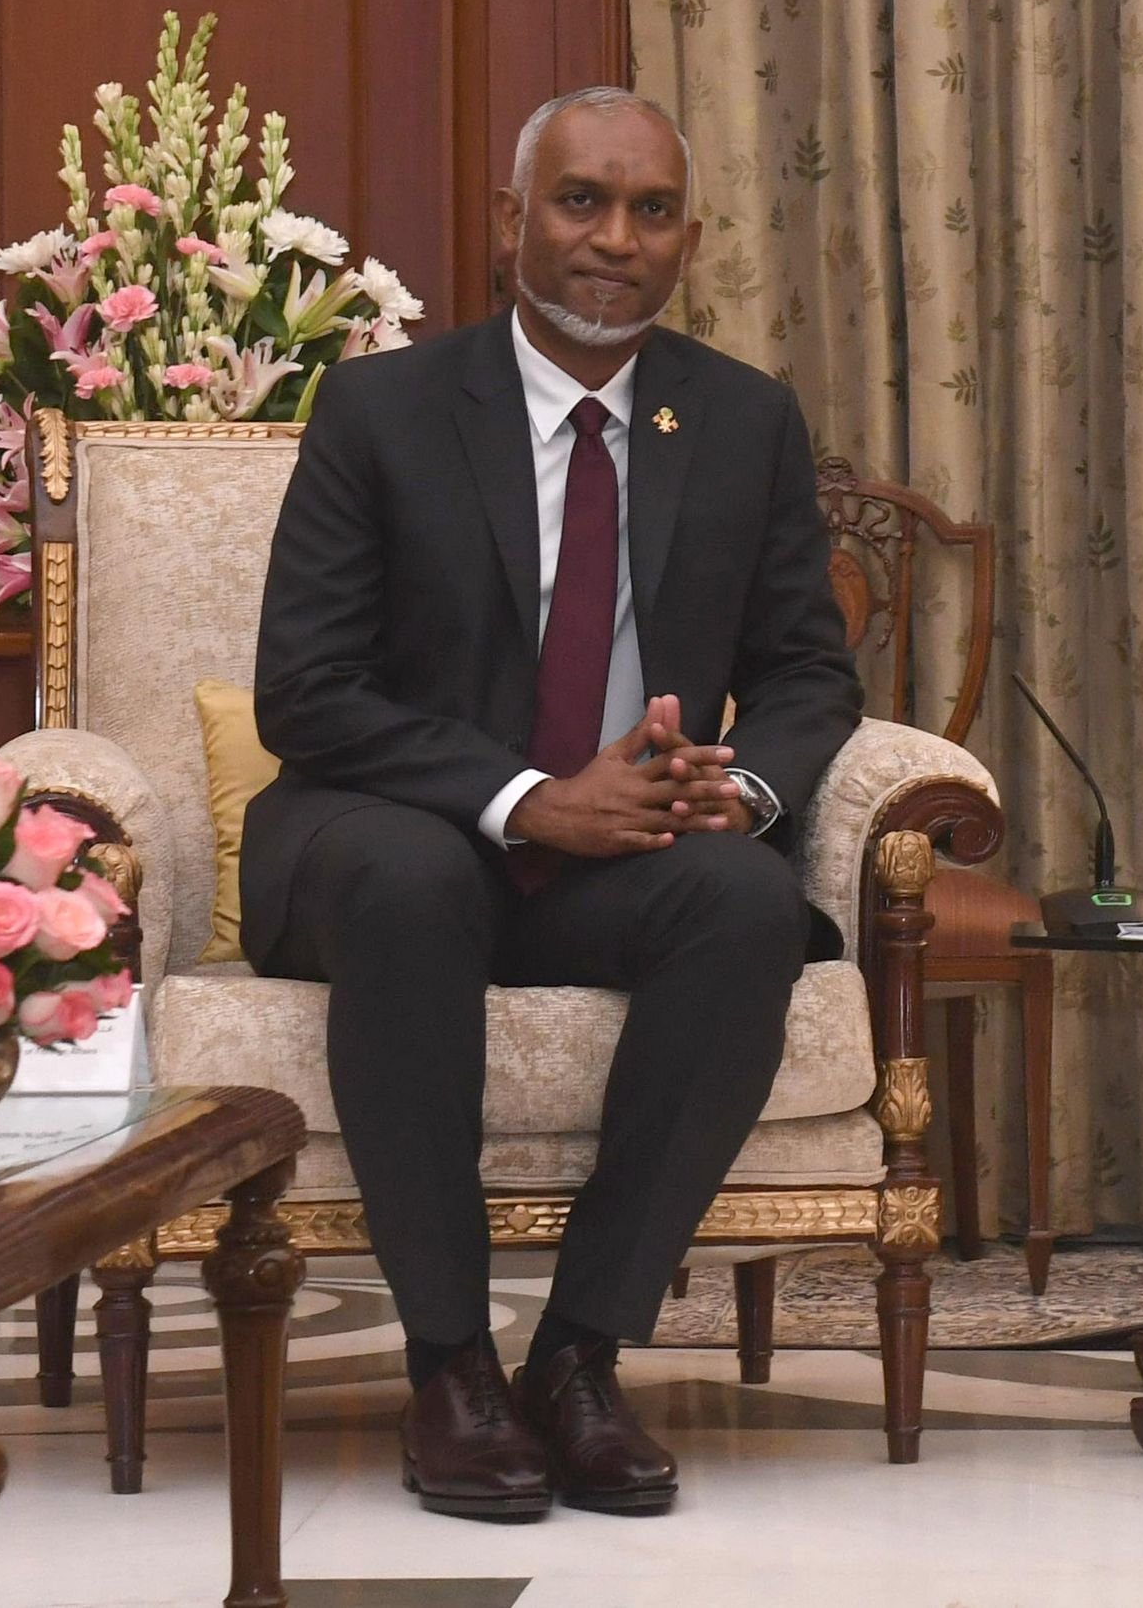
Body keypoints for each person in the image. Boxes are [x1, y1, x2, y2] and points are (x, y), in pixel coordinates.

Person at [245, 87, 860, 1521]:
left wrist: (737, 786)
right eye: (582, 201)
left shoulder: (744, 417)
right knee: (409, 879)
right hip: (395, 829)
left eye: (652, 211)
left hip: (622, 851)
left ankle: (580, 1354)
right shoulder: (384, 407)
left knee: (747, 901)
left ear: (690, 239)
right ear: (511, 220)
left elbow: (805, 671)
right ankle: (450, 1365)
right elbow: (307, 690)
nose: (615, 239)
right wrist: (527, 798)